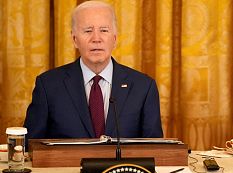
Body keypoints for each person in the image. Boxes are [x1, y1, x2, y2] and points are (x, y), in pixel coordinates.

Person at [24, 1, 163, 140]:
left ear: (114, 39)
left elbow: (155, 151)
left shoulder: (144, 87)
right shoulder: (48, 86)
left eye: (104, 30)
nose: (96, 39)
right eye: (88, 31)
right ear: (74, 39)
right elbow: (31, 147)